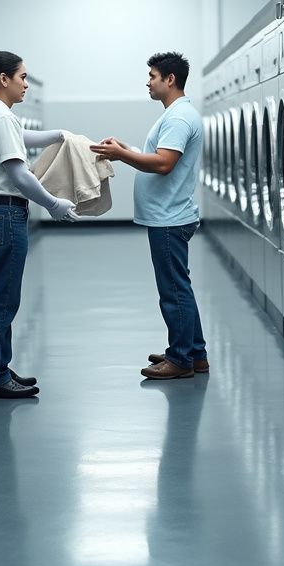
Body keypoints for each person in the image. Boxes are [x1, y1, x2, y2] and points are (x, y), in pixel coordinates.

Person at [0, 51, 79, 399]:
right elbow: (18, 174)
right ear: (4, 79)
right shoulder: (0, 117)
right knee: (1, 300)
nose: (26, 84)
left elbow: (21, 138)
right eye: (23, 77)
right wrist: (53, 204)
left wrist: (57, 135)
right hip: (4, 214)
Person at [91, 51, 208, 380]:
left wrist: (121, 155)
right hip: (169, 214)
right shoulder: (176, 115)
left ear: (170, 80)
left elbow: (163, 163)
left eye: (153, 76)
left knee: (173, 290)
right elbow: (160, 156)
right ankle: (195, 353)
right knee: (179, 285)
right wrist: (124, 148)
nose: (148, 82)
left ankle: (181, 358)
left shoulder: (178, 118)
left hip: (169, 217)